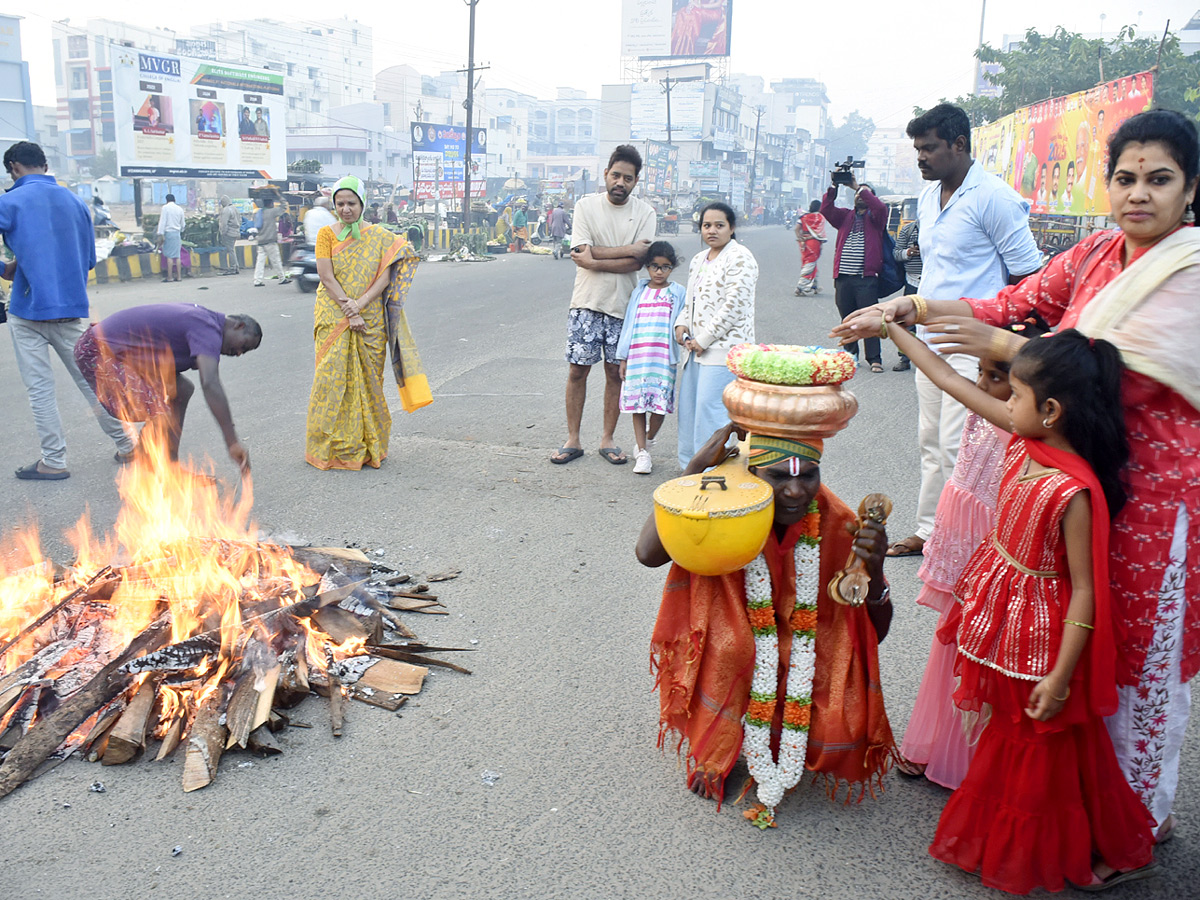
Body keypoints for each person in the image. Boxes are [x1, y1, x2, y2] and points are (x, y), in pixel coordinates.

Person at [833, 108, 1200, 854]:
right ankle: (1078, 805)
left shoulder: (1189, 276)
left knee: (1141, 659)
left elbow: (1100, 373)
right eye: (1125, 177)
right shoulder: (1099, 252)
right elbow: (1015, 303)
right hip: (1072, 479)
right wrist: (914, 306)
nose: (1139, 194)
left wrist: (1002, 345)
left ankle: (1139, 821)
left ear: (1190, 188)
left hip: (1155, 499)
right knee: (1076, 640)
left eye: (1159, 179)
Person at [892, 326, 1157, 892]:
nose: (1004, 403)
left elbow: (1084, 589)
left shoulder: (1072, 491)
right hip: (1005, 621)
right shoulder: (1025, 443)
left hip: (1043, 641)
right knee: (1015, 739)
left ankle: (1074, 848)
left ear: (1053, 410)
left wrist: (1062, 675)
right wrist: (896, 327)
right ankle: (1028, 839)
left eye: (1014, 395)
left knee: (1040, 748)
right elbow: (945, 379)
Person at [639, 423, 895, 827]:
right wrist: (692, 475)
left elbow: (872, 633)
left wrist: (873, 571)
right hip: (739, 634)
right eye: (778, 476)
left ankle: (785, 737)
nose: (795, 491)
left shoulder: (839, 522)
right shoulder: (720, 504)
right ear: (750, 474)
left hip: (803, 637)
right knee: (734, 646)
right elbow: (647, 555)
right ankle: (716, 746)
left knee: (818, 675)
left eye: (807, 475)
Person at [890, 318, 1046, 788]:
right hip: (966, 544)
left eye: (995, 378)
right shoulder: (996, 407)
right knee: (951, 642)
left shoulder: (1020, 423)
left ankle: (974, 759)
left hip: (996, 550)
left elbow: (947, 378)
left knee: (986, 650)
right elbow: (951, 379)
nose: (982, 385)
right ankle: (934, 743)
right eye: (981, 373)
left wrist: (895, 329)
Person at [882, 103, 1041, 559]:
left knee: (962, 446)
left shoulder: (994, 197)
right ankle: (931, 532)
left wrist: (1008, 347)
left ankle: (973, 545)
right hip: (930, 337)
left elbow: (1028, 275)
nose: (921, 157)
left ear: (959, 144)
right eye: (916, 149)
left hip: (975, 342)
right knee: (931, 441)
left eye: (929, 147)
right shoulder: (929, 197)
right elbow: (934, 269)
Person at [0, 140, 136, 480]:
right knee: (93, 383)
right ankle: (128, 444)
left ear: (14, 167)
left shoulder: (9, 201)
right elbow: (89, 260)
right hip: (72, 310)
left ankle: (54, 461)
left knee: (40, 390)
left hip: (27, 311)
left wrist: (7, 267)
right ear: (44, 165)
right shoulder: (76, 202)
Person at [305, 175, 429, 470]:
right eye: (340, 203)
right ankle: (331, 447)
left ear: (362, 204)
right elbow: (326, 275)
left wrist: (360, 305)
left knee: (370, 382)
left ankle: (368, 445)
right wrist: (350, 310)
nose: (345, 209)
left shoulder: (380, 236)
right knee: (330, 380)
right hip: (333, 313)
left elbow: (387, 274)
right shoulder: (326, 234)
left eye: (351, 203)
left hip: (370, 316)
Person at [552, 145, 656, 465]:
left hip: (624, 306)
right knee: (577, 371)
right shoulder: (586, 206)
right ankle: (573, 439)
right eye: (615, 175)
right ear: (606, 175)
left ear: (636, 181)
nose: (620, 182)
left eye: (627, 177)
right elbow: (581, 250)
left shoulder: (645, 213)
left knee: (615, 373)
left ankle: (607, 439)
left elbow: (638, 262)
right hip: (586, 302)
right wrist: (625, 251)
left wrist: (595, 259)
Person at [74, 304, 261, 473]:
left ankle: (170, 467)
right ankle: (147, 476)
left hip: (127, 355)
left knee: (182, 391)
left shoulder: (207, 323)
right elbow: (210, 383)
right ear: (239, 326)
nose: (238, 354)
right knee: (160, 414)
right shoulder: (207, 327)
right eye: (243, 346)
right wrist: (232, 441)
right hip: (99, 351)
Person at [674, 202, 757, 468]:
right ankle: (690, 468)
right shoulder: (700, 259)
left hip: (723, 350)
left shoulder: (740, 257)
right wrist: (681, 325)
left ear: (731, 228)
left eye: (719, 225)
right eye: (707, 225)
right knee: (690, 412)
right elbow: (691, 300)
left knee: (712, 413)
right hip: (694, 349)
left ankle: (713, 472)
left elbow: (735, 305)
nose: (712, 231)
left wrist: (705, 339)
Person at [615, 240, 686, 475]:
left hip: (663, 359)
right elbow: (628, 325)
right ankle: (643, 453)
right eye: (654, 266)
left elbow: (683, 321)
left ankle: (648, 438)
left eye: (665, 267)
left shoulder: (677, 293)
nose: (659, 271)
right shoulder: (640, 291)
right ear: (647, 266)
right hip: (637, 356)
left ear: (672, 268)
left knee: (659, 407)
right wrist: (623, 357)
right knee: (638, 405)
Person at [821, 175, 887, 372]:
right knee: (847, 319)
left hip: (865, 279)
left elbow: (880, 208)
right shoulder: (845, 217)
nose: (859, 196)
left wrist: (858, 187)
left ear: (870, 197)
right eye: (857, 194)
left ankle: (875, 359)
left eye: (864, 193)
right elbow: (826, 209)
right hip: (843, 278)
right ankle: (851, 355)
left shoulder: (877, 218)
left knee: (869, 319)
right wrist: (834, 186)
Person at [889, 218, 922, 371]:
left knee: (935, 322)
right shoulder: (908, 230)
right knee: (906, 322)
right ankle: (904, 358)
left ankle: (934, 360)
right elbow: (896, 253)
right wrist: (908, 252)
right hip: (912, 281)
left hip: (936, 283)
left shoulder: (944, 228)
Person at [252, 198, 290, 287]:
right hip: (270, 241)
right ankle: (282, 278)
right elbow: (284, 207)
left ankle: (257, 280)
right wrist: (279, 196)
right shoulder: (271, 212)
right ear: (270, 203)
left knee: (260, 262)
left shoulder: (259, 212)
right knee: (276, 260)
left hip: (261, 240)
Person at [793, 200, 827, 296]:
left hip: (804, 243)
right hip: (814, 242)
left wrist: (801, 238)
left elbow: (796, 229)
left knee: (810, 262)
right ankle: (800, 287)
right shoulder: (820, 217)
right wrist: (810, 237)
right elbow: (819, 233)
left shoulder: (803, 217)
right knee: (810, 264)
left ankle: (814, 286)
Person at [157, 193, 185, 283]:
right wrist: (180, 230)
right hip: (177, 234)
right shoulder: (180, 209)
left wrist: (160, 233)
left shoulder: (165, 208)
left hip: (168, 233)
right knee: (177, 256)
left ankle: (170, 277)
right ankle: (179, 277)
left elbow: (162, 221)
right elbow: (183, 224)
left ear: (166, 200)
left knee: (169, 256)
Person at [218, 196, 242, 275]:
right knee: (232, 249)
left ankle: (233, 267)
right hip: (236, 231)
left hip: (229, 233)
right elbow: (240, 220)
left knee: (230, 250)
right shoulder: (235, 209)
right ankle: (236, 267)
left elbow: (224, 224)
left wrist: (222, 233)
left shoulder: (226, 210)